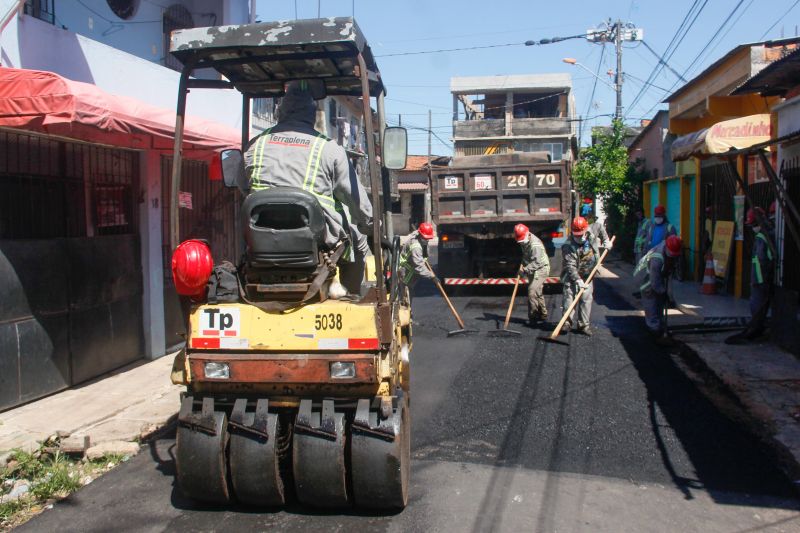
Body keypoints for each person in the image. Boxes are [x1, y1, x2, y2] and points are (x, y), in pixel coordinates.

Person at [244, 80, 373, 294]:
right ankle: (353, 295)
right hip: (317, 242)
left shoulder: (254, 145)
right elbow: (356, 200)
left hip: (261, 240)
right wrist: (367, 223)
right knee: (359, 242)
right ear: (312, 115)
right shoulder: (329, 149)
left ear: (280, 112)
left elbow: (243, 187)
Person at [726, 208, 775, 345]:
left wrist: (758, 280)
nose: (752, 228)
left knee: (757, 305)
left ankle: (756, 330)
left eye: (753, 225)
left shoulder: (762, 237)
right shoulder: (768, 234)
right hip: (762, 279)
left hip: (760, 280)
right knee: (758, 306)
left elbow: (762, 261)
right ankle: (757, 328)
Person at [635, 235, 683, 345]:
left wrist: (669, 296)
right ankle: (653, 332)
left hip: (655, 277)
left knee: (660, 303)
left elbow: (667, 276)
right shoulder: (657, 259)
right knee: (652, 304)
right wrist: (663, 293)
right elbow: (655, 282)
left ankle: (660, 328)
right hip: (645, 280)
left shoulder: (668, 249)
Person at [560, 217, 599, 336]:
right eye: (576, 235)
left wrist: (607, 241)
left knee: (586, 298)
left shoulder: (592, 230)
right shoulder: (568, 246)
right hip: (571, 274)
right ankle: (566, 323)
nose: (578, 237)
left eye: (580, 234)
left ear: (586, 229)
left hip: (588, 273)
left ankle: (583, 325)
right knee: (569, 297)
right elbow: (570, 266)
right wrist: (577, 279)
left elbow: (600, 227)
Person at [514, 224, 550, 325]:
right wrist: (522, 267)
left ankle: (533, 316)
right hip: (532, 267)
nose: (520, 242)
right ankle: (543, 314)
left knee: (532, 291)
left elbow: (537, 262)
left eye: (521, 239)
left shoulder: (535, 245)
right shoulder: (524, 241)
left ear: (527, 234)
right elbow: (526, 255)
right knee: (537, 292)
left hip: (541, 268)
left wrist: (525, 270)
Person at [398, 222, 436, 299]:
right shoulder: (416, 247)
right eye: (426, 238)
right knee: (405, 299)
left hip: (410, 273)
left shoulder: (418, 236)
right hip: (406, 275)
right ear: (421, 235)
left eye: (429, 238)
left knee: (407, 297)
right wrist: (432, 276)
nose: (427, 240)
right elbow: (418, 266)